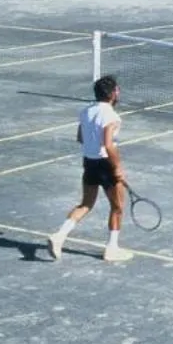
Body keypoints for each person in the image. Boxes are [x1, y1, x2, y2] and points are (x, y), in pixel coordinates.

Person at [49, 75, 131, 263]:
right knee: (117, 207)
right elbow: (108, 145)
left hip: (89, 163)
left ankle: (59, 236)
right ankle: (111, 249)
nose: (118, 92)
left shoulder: (86, 112)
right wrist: (117, 168)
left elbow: (80, 137)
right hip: (106, 165)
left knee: (85, 204)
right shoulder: (112, 116)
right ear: (112, 94)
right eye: (117, 90)